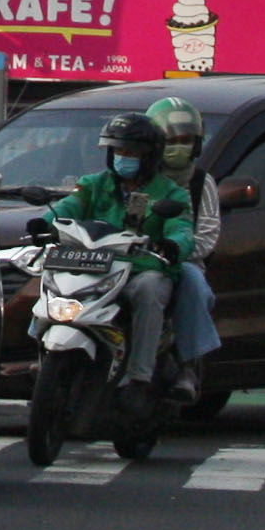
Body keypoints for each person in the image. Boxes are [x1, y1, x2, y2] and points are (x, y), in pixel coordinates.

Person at [45, 112, 192, 406]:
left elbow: (183, 229)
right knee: (49, 284)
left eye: (132, 152)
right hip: (94, 268)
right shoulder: (93, 184)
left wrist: (174, 245)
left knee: (150, 291)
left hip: (141, 270)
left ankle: (138, 378)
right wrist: (46, 222)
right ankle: (42, 354)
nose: (123, 157)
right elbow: (69, 206)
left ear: (150, 156)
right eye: (118, 151)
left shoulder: (171, 193)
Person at [144, 94, 225, 401]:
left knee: (194, 287)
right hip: (133, 257)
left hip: (181, 262)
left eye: (187, 140)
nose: (179, 146)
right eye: (171, 139)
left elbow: (206, 236)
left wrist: (174, 251)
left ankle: (187, 366)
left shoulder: (201, 183)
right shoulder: (138, 177)